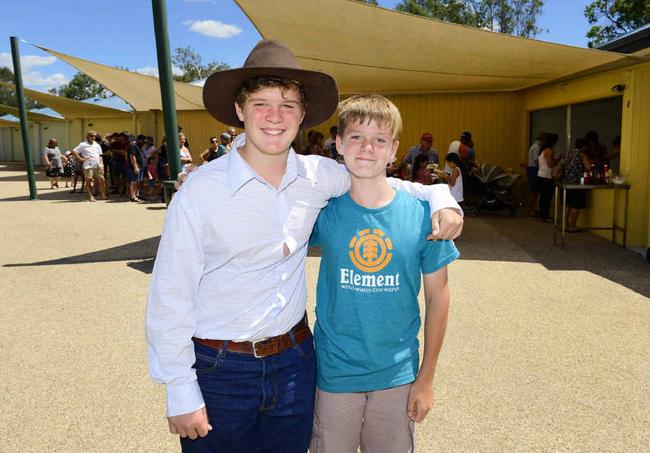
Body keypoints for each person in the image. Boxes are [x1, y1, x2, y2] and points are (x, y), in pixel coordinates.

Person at [146, 39, 463, 453]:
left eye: (287, 105)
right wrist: (179, 388)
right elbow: (170, 294)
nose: (274, 117)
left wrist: (441, 196)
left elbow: (375, 179)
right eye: (261, 104)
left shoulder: (318, 177)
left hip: (295, 363)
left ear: (302, 116)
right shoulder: (201, 193)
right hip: (221, 368)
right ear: (240, 111)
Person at [309, 93, 459, 453]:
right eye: (357, 137)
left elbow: (439, 297)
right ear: (339, 143)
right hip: (334, 372)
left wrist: (427, 377)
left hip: (397, 375)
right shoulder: (322, 211)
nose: (367, 148)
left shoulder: (424, 216)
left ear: (394, 150)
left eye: (379, 140)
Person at [563, 138, 591, 232]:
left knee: (568, 204)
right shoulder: (582, 154)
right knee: (576, 205)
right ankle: (572, 225)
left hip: (568, 181)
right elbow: (588, 166)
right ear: (584, 146)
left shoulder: (569, 153)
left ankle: (565, 224)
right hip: (578, 182)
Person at [72, 131, 106, 202]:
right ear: (87, 137)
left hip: (97, 165)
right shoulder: (83, 144)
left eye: (94, 136)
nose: (93, 137)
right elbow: (74, 151)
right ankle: (90, 196)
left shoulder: (97, 145)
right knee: (88, 180)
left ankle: (103, 194)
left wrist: (102, 165)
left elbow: (100, 156)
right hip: (88, 166)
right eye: (91, 136)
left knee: (102, 180)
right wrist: (81, 159)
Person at [537, 133, 560, 222]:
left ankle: (543, 215)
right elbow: (550, 164)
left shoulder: (542, 150)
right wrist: (558, 159)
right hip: (547, 176)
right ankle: (545, 216)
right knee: (547, 197)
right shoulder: (549, 150)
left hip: (541, 175)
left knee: (543, 197)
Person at [526, 132, 546, 217]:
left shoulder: (534, 146)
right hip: (534, 169)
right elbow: (536, 160)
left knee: (534, 191)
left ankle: (532, 209)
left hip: (532, 169)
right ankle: (531, 210)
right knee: (534, 192)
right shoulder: (537, 147)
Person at [127, 135, 146, 202]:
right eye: (143, 141)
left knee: (138, 182)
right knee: (134, 182)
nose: (143, 143)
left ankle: (137, 195)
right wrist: (135, 167)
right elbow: (132, 156)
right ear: (139, 140)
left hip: (140, 167)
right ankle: (133, 196)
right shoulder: (132, 146)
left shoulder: (138, 147)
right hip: (134, 167)